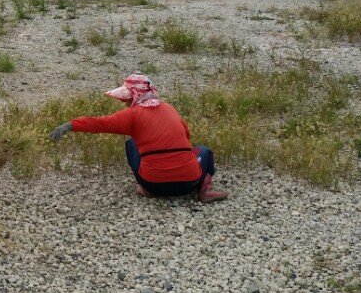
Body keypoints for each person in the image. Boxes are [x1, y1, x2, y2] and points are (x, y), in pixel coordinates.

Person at [48, 74, 228, 203]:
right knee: (204, 150)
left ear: (134, 96)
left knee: (131, 144)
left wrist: (69, 125)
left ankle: (144, 189)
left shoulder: (132, 115)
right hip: (189, 182)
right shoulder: (169, 109)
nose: (125, 103)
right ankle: (205, 189)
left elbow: (100, 123)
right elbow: (187, 139)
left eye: (126, 99)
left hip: (153, 183)